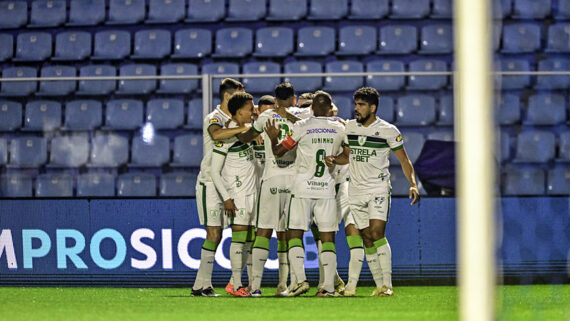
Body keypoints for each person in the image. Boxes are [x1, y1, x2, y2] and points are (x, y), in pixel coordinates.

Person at [326, 87, 420, 297]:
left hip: (377, 188)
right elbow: (347, 156)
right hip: (356, 190)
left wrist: (413, 183)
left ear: (373, 107)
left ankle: (388, 285)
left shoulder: (388, 130)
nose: (356, 109)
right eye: (356, 104)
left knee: (377, 233)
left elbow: (404, 160)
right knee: (367, 237)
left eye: (361, 105)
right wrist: (333, 159)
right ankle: (380, 286)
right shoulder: (350, 127)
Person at [265, 91, 348, 297]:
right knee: (327, 237)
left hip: (302, 188)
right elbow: (347, 156)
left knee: (295, 233)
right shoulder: (340, 128)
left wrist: (274, 139)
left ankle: (300, 281)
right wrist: (334, 159)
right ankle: (328, 287)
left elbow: (279, 152)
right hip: (327, 190)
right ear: (330, 109)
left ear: (311, 109)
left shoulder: (301, 127)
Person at [236, 82, 305, 297]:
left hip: (271, 179)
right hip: (295, 181)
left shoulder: (266, 118)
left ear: (275, 100)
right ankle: (285, 285)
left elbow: (246, 137)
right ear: (294, 99)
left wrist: (238, 129)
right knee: (288, 233)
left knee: (263, 231)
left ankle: (255, 286)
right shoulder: (303, 119)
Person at [191, 78, 248, 297]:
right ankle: (202, 284)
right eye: (239, 94)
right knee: (213, 233)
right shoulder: (214, 118)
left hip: (229, 183)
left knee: (224, 233)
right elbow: (216, 134)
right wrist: (245, 127)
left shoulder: (234, 120)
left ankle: (202, 285)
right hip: (209, 182)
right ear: (227, 95)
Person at [210, 92, 257, 297]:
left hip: (252, 192)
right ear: (239, 111)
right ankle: (236, 284)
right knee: (239, 239)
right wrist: (226, 198)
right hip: (237, 194)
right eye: (250, 108)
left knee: (249, 240)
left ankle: (239, 282)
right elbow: (214, 171)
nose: (254, 111)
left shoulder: (246, 132)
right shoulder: (227, 134)